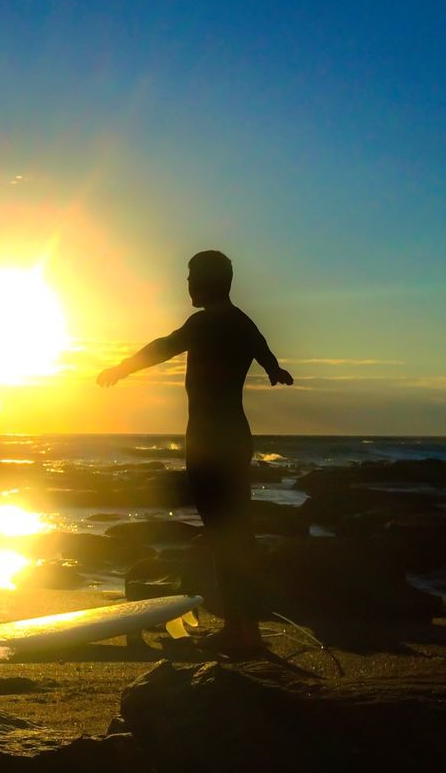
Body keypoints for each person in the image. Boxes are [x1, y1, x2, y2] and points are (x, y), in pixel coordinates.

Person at [97, 250, 293, 656]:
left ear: (207, 280)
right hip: (235, 437)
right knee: (236, 531)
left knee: (226, 533)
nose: (186, 284)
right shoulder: (241, 321)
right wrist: (274, 370)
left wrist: (121, 368)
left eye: (190, 276)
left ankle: (241, 628)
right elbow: (262, 348)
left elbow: (164, 347)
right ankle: (246, 626)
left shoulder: (206, 322)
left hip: (208, 440)